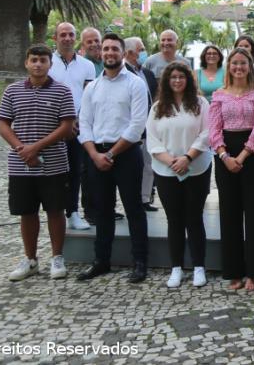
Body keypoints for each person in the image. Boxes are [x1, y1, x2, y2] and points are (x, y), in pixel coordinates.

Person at [76, 33, 151, 283]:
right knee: (102, 210)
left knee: (134, 209)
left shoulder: (135, 84)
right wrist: (94, 154)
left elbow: (137, 125)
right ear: (101, 53)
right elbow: (84, 123)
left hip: (126, 153)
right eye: (106, 48)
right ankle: (101, 261)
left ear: (122, 53)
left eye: (114, 49)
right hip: (96, 154)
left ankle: (140, 262)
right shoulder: (92, 87)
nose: (109, 53)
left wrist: (109, 154)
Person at [0, 44, 76, 281]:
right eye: (34, 60)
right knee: (27, 212)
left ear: (50, 64)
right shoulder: (12, 91)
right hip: (21, 164)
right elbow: (3, 125)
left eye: (43, 60)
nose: (38, 64)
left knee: (55, 210)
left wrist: (36, 147)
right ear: (26, 63)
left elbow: (67, 126)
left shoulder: (62, 91)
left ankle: (57, 258)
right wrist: (22, 149)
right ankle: (30, 259)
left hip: (54, 164)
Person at [208, 47, 254, 291]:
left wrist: (243, 155)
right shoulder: (219, 95)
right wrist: (225, 156)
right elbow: (214, 129)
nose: (238, 67)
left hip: (252, 156)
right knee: (229, 214)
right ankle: (233, 272)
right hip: (225, 156)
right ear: (229, 66)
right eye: (234, 63)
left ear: (249, 66)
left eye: (243, 63)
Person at [144, 62, 212, 288]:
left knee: (194, 217)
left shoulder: (201, 104)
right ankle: (176, 268)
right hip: (166, 170)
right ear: (166, 80)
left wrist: (187, 158)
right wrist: (171, 161)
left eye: (181, 77)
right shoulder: (157, 108)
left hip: (196, 168)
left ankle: (199, 267)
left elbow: (206, 133)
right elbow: (152, 139)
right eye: (173, 77)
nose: (177, 80)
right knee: (174, 219)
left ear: (188, 79)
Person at [48, 22, 96, 230]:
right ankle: (54, 211)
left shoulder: (87, 65)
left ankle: (73, 212)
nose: (67, 38)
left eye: (71, 35)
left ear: (76, 38)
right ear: (55, 38)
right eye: (63, 34)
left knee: (76, 169)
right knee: (54, 172)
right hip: (51, 125)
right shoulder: (47, 62)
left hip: (77, 126)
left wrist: (77, 121)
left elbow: (88, 96)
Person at [124, 36, 159, 212]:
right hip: (131, 127)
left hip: (149, 126)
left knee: (148, 164)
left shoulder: (147, 73)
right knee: (133, 167)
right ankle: (132, 199)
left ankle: (145, 198)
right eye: (141, 49)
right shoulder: (123, 73)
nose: (144, 52)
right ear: (129, 53)